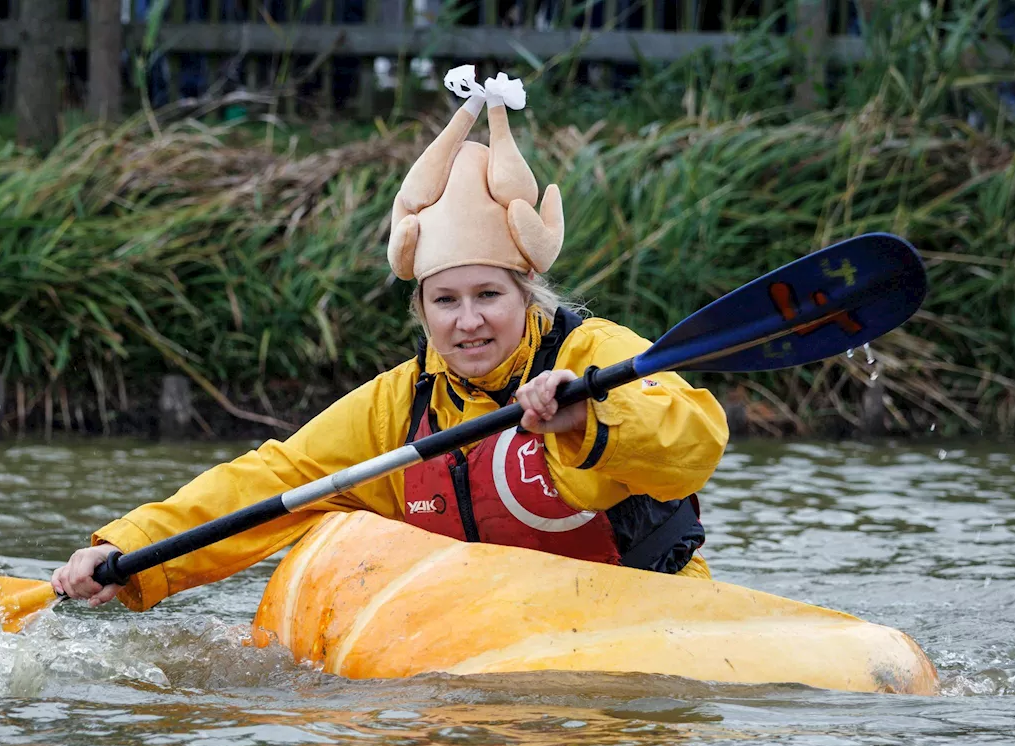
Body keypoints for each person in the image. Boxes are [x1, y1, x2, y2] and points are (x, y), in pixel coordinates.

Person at [53, 66, 729, 610]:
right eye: (446, 300)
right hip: (498, 632)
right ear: (422, 307)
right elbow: (271, 482)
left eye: (489, 295)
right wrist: (126, 549)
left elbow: (696, 438)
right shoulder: (398, 407)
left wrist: (589, 413)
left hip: (646, 610)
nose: (468, 321)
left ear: (527, 294)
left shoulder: (593, 354)